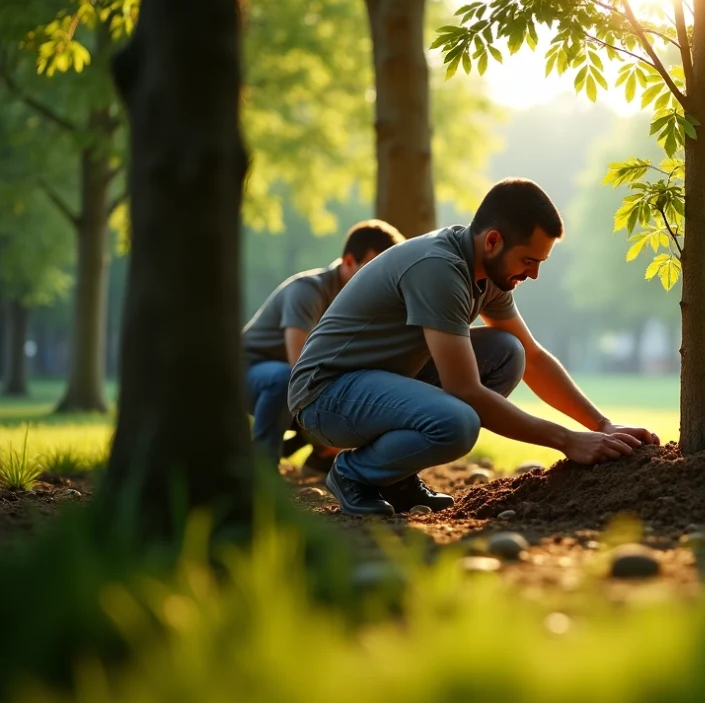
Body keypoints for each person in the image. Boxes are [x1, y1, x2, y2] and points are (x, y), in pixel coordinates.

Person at [286, 178, 660, 517]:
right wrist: (567, 440)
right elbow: (463, 389)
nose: (533, 274)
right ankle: (354, 473)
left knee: (508, 351)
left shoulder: (489, 275)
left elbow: (532, 357)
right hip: (325, 394)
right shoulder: (439, 268)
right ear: (493, 241)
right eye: (529, 260)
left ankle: (393, 476)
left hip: (380, 383)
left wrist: (603, 425)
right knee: (457, 422)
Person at [242, 219, 402, 467]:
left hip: (293, 387)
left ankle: (317, 456)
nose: (379, 280)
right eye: (372, 268)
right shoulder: (308, 291)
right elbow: (300, 370)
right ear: (349, 262)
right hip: (249, 375)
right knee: (288, 379)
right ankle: (262, 468)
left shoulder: (365, 306)